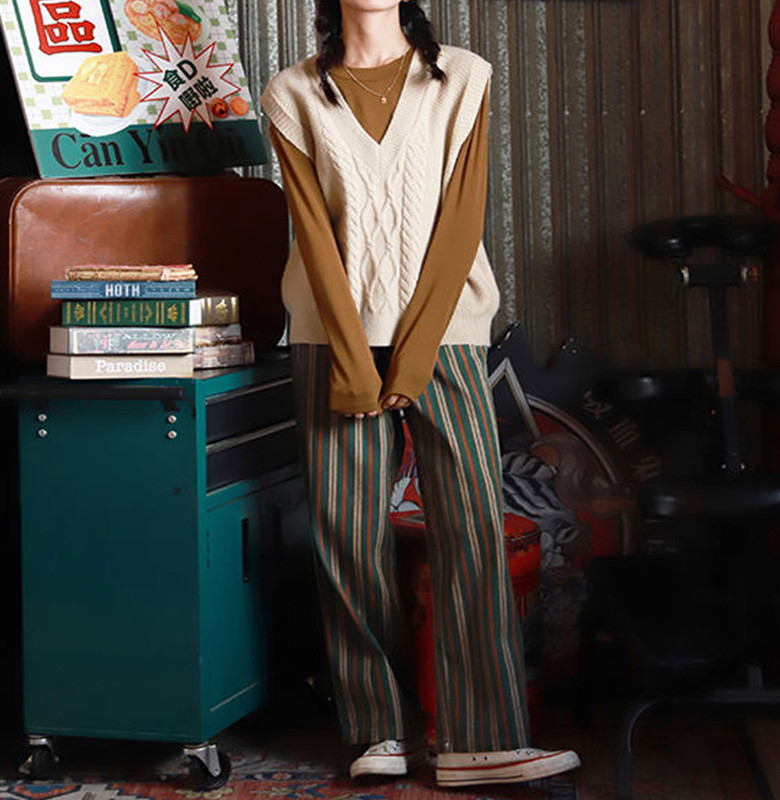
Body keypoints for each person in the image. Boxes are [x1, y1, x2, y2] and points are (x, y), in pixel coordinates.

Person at [261, 0, 580, 786]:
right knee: (346, 533)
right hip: (330, 336)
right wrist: (354, 358)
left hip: (446, 332)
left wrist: (409, 361)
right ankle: (377, 730)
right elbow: (313, 235)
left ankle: (483, 737)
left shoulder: (463, 78)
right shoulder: (291, 93)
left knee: (471, 522)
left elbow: (460, 223)